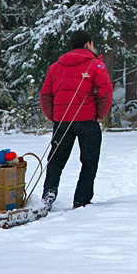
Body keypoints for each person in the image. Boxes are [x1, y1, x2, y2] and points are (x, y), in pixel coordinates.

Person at [40, 30, 113, 210]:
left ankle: (49, 192)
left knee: (56, 159)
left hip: (62, 121)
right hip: (87, 120)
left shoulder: (55, 66)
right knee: (89, 161)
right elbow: (106, 91)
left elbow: (46, 95)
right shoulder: (96, 65)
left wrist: (54, 116)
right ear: (88, 44)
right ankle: (82, 199)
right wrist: (99, 114)